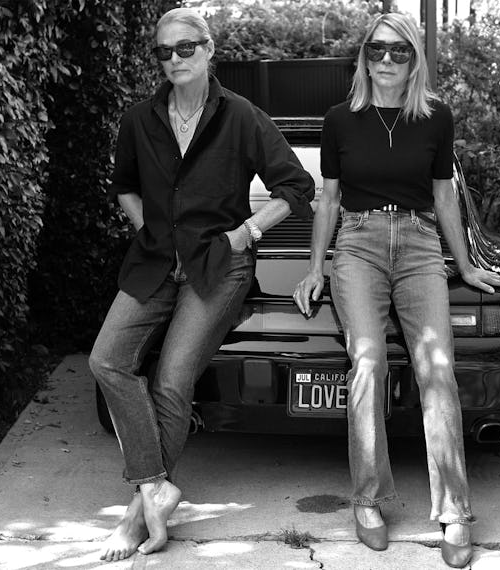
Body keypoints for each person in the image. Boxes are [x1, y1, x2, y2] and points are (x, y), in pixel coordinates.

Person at [89, 7, 314, 562]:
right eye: (163, 52)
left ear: (210, 50)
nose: (174, 60)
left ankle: (140, 509)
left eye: (185, 48)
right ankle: (156, 486)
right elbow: (124, 187)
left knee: (171, 378)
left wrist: (245, 234)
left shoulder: (243, 117)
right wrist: (149, 229)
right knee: (106, 360)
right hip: (155, 260)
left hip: (220, 265)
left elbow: (295, 187)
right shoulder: (139, 119)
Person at [293, 12, 500, 569]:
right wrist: (316, 266)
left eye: (400, 52)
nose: (386, 59)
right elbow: (329, 200)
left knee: (436, 369)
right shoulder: (340, 119)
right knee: (366, 363)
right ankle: (368, 501)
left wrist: (465, 265)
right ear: (363, 55)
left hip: (417, 245)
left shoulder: (436, 118)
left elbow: (443, 201)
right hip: (359, 245)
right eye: (377, 49)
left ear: (415, 59)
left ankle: (455, 511)